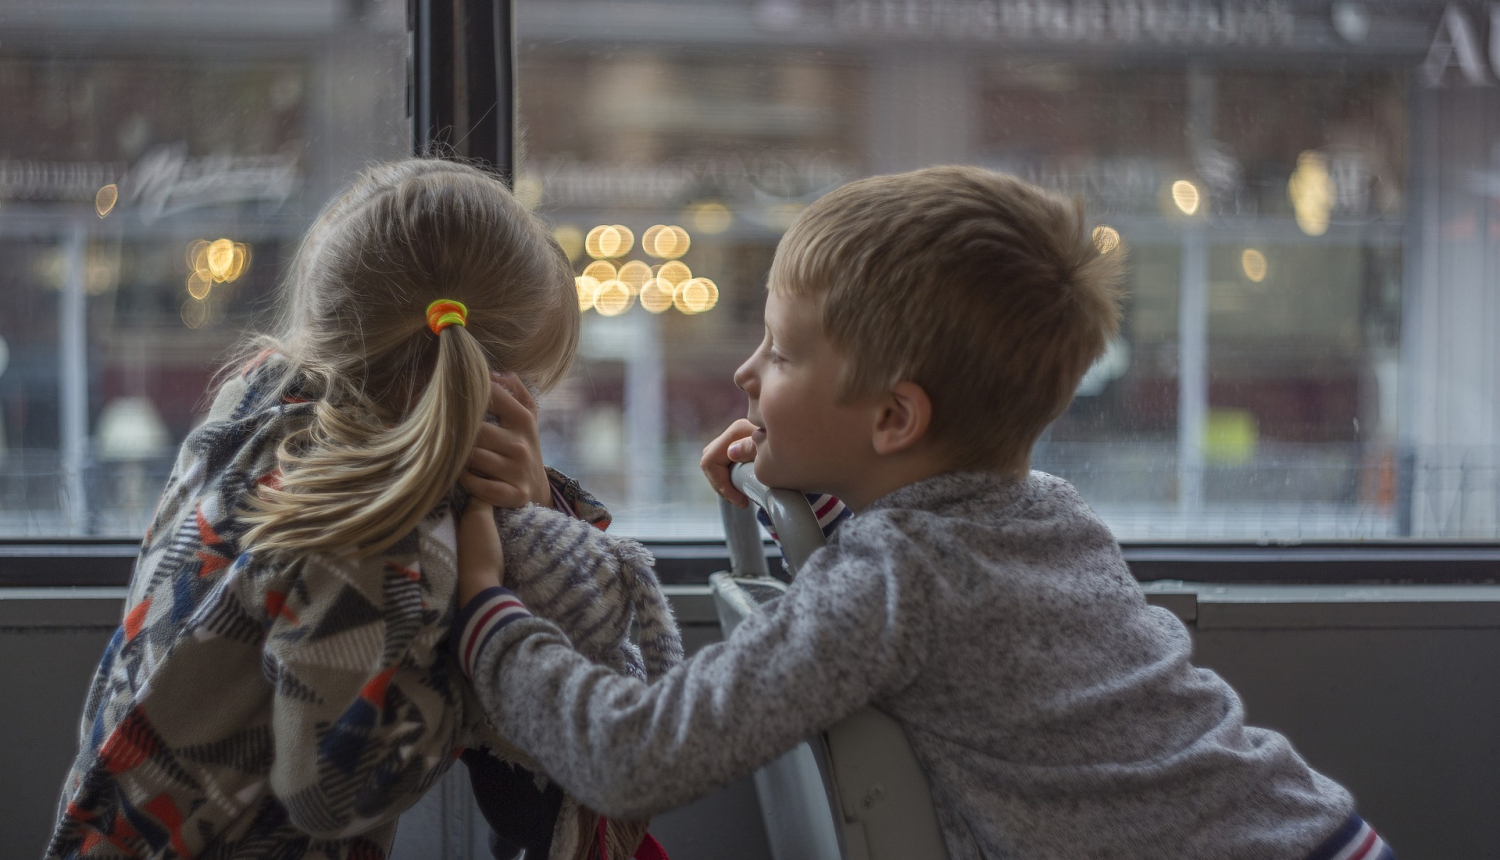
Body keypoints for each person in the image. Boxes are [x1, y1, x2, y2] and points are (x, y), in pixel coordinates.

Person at [453, 165, 1397, 860]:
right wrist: (814, 500)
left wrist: (490, 616)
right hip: (1314, 831)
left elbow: (632, 757)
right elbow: (934, 555)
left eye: (780, 354)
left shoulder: (892, 585)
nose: (745, 374)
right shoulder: (1043, 513)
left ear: (895, 418)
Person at [45, 158, 670, 860]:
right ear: (487, 400)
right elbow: (328, 792)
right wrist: (480, 649)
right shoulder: (387, 529)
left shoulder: (258, 398)